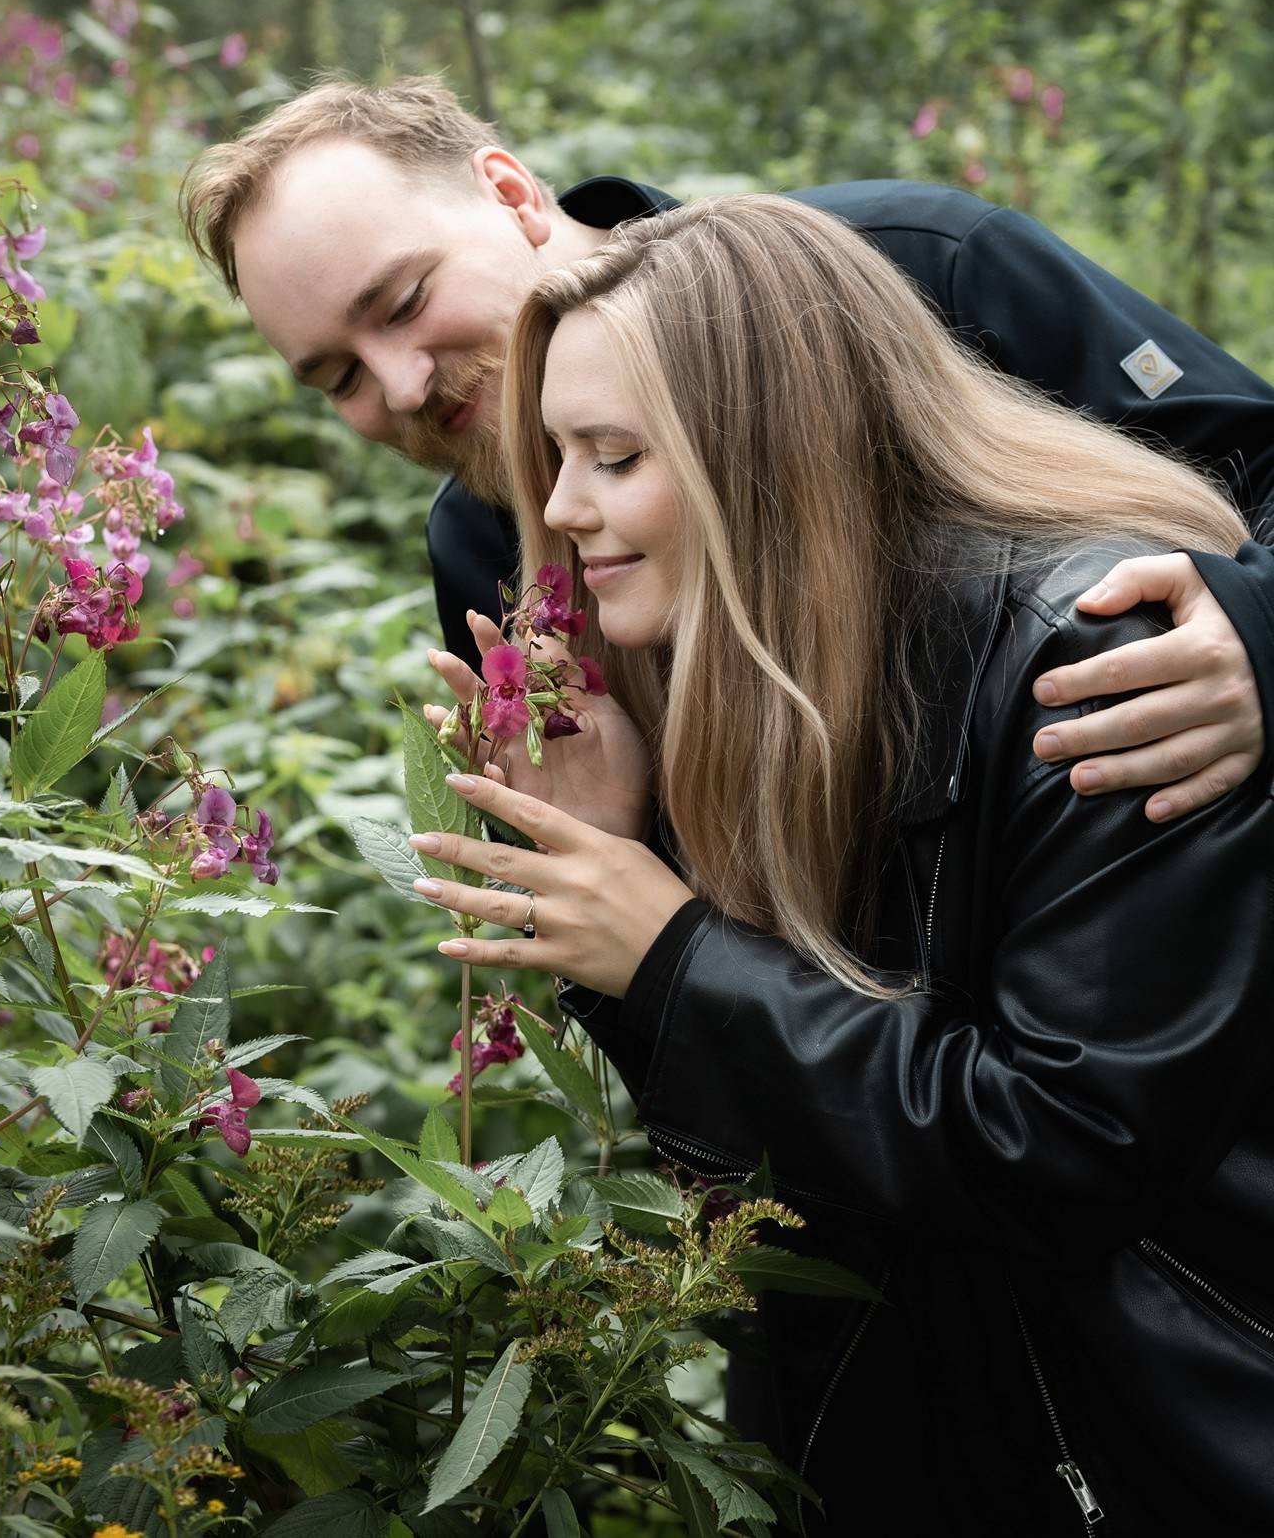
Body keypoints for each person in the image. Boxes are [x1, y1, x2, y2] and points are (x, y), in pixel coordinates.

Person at [409, 196, 1274, 1536]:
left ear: (771, 451)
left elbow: (1066, 1150)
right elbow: (776, 1174)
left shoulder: (1091, 669)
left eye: (614, 455)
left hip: (1166, 1448)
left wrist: (673, 957)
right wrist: (617, 866)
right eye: (555, 457)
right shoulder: (747, 676)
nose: (563, 509)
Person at [179, 76, 1273, 820]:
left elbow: (1253, 464)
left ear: (510, 193)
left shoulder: (915, 269)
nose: (403, 382)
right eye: (339, 378)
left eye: (406, 298)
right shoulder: (484, 553)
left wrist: (1262, 641)